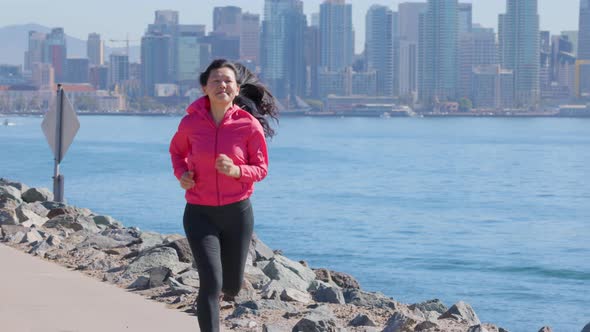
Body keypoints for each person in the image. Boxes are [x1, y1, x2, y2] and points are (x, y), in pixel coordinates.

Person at [169, 59, 278, 332]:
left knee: (230, 285)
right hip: (199, 213)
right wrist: (182, 175)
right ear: (205, 88)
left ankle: (229, 287)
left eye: (228, 80)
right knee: (211, 283)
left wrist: (236, 170)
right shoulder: (190, 123)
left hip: (237, 214)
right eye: (215, 80)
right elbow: (176, 153)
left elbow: (261, 169)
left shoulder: (249, 126)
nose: (222, 85)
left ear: (236, 88)